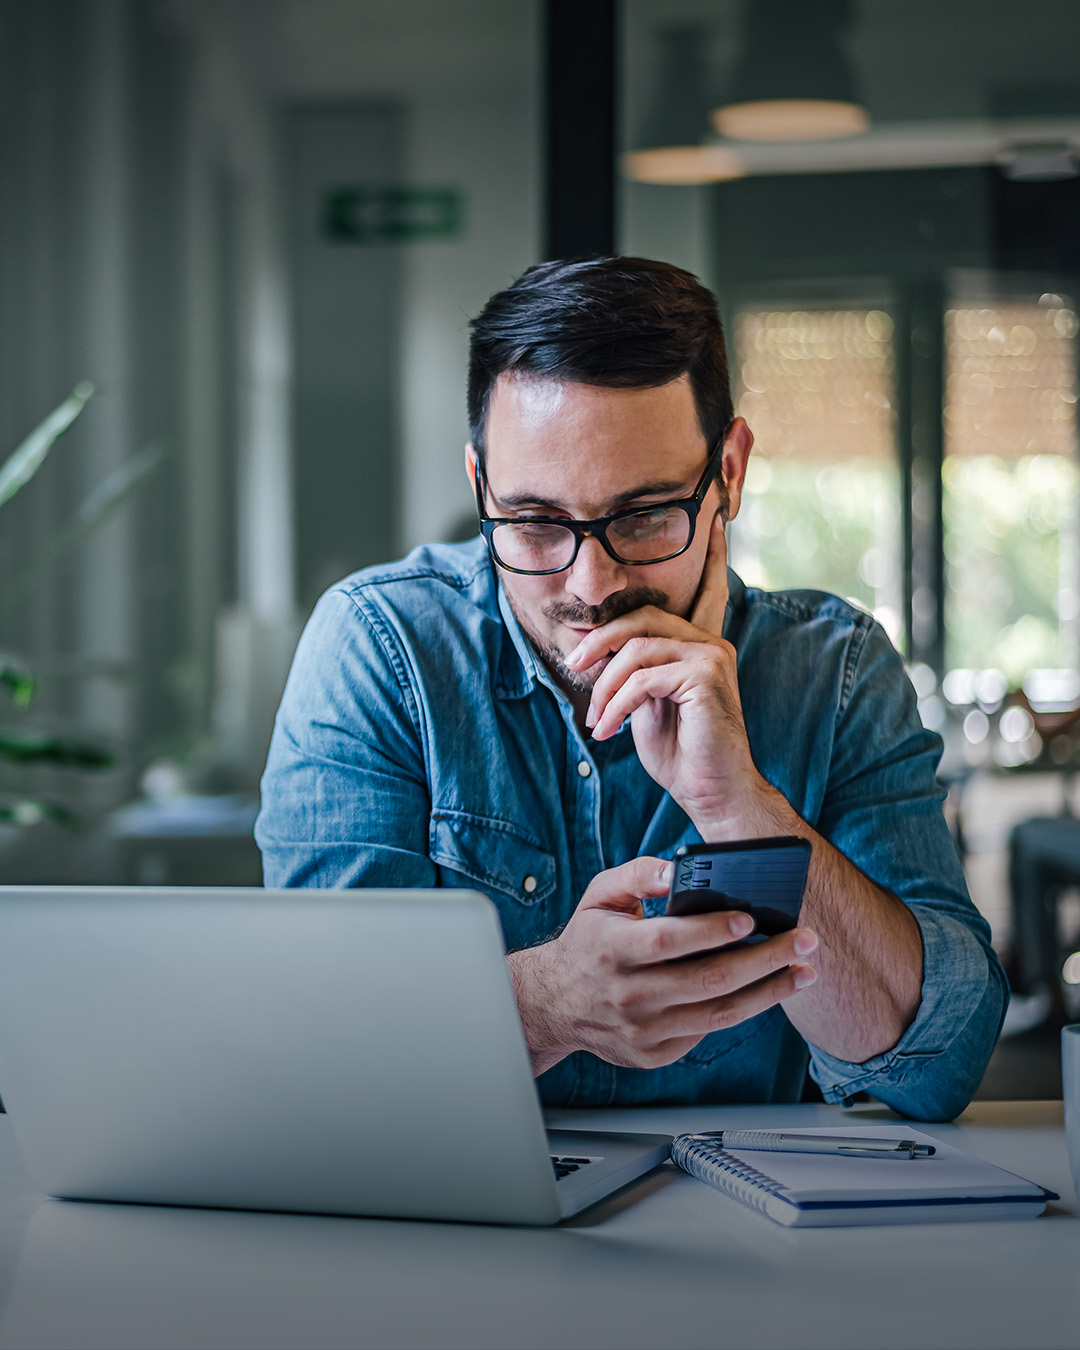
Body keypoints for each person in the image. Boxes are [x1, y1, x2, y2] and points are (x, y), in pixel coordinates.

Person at [256, 256, 1006, 1120]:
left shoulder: (832, 671)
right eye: (536, 523)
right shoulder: (382, 651)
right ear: (479, 486)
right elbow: (318, 1048)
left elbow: (938, 1065)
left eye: (645, 515)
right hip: (453, 1233)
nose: (593, 583)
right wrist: (541, 1007)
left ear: (728, 472)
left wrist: (738, 809)